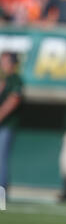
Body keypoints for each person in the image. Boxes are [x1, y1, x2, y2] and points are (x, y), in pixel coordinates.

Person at [0, 52, 23, 192]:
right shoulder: (3, 78)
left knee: (1, 159)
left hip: (6, 125)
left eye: (5, 61)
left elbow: (13, 100)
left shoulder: (15, 79)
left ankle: (1, 192)